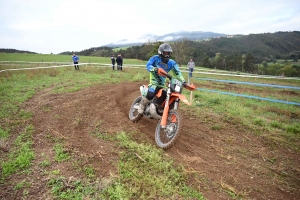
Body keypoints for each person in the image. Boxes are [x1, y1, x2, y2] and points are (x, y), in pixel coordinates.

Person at [138, 43, 186, 114]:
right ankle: (142, 105)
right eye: (165, 53)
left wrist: (183, 81)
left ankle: (159, 109)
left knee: (167, 96)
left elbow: (177, 73)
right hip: (154, 82)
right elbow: (148, 65)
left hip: (162, 84)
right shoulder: (155, 58)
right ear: (160, 52)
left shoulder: (172, 63)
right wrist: (155, 69)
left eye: (168, 53)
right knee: (151, 94)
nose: (167, 55)